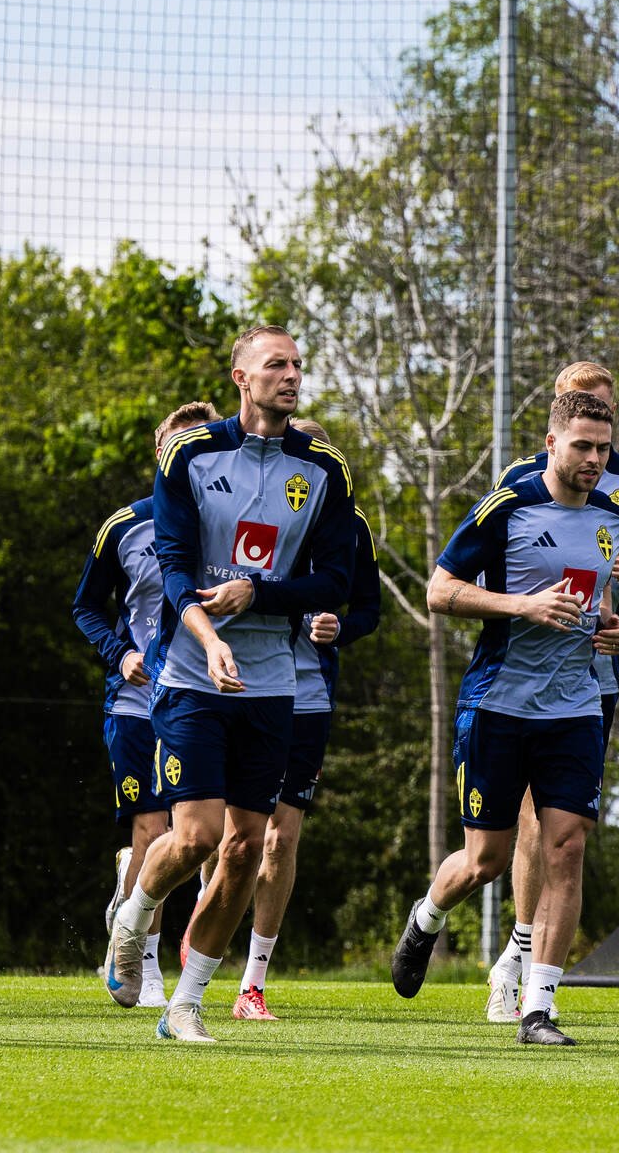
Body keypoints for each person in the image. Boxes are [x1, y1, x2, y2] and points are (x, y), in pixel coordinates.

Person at [106, 326, 356, 1045]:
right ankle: (132, 919)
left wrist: (261, 594)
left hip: (272, 684)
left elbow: (336, 579)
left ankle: (185, 1003)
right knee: (196, 837)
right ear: (242, 377)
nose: (291, 375)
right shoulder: (191, 454)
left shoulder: (325, 470)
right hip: (189, 674)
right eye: (276, 364)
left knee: (247, 847)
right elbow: (178, 568)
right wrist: (211, 638)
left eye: (298, 365)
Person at [390, 391, 619, 1047]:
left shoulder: (612, 517)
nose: (594, 459)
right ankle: (428, 914)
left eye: (603, 448)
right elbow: (440, 592)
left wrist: (606, 625)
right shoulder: (508, 506)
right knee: (486, 859)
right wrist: (520, 606)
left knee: (568, 847)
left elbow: (593, 603)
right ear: (551, 443)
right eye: (582, 445)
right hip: (497, 704)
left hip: (576, 706)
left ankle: (539, 1009)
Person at [485, 362, 619, 1022]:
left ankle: (535, 987)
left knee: (568, 832)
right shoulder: (519, 484)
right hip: (521, 678)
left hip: (598, 673)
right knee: (524, 827)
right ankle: (513, 962)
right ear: (558, 422)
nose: (594, 449)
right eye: (580, 420)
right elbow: (493, 575)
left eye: (602, 419)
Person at [232, 417, 382, 1021]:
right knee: (231, 838)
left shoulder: (350, 526)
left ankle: (253, 982)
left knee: (281, 837)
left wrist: (339, 626)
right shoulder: (247, 507)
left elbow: (367, 607)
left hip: (308, 695)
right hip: (239, 687)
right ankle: (199, 943)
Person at [74, 401, 223, 1010]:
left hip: (204, 698)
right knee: (152, 825)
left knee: (201, 838)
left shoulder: (229, 524)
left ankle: (134, 894)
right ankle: (147, 962)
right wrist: (118, 654)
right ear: (161, 459)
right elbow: (86, 607)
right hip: (137, 700)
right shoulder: (124, 527)